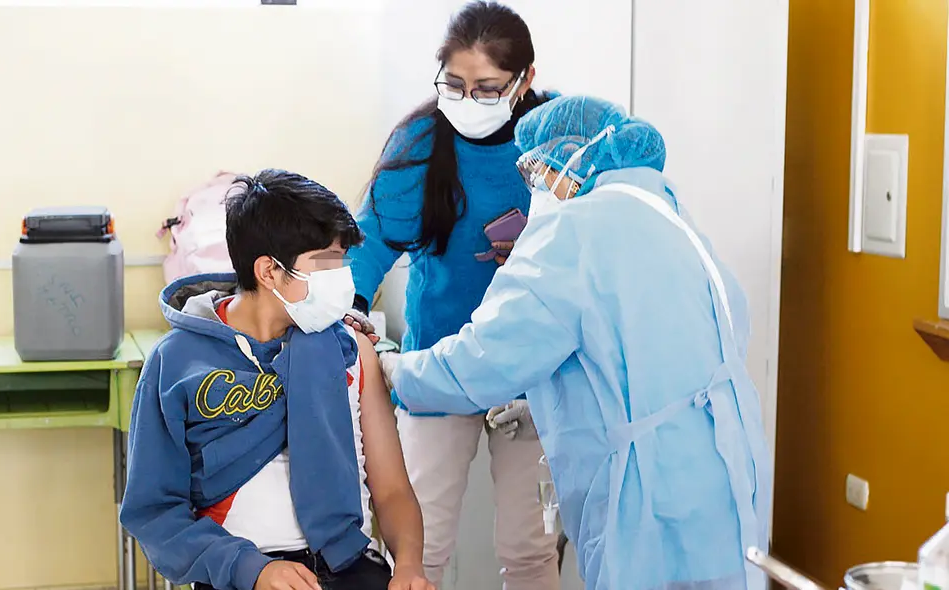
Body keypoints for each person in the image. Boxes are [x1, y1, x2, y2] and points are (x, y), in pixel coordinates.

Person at [385, 96, 773, 590]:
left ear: (573, 158)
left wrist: (399, 370)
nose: (538, 189)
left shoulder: (572, 230)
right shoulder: (668, 213)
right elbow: (681, 340)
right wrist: (552, 399)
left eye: (539, 173)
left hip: (651, 491)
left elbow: (483, 360)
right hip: (726, 465)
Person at [119, 169, 435, 590]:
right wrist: (253, 570)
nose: (342, 278)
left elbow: (392, 489)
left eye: (342, 262)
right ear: (269, 271)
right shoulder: (175, 364)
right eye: (326, 265)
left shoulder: (351, 350)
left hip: (349, 567)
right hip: (239, 574)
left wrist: (410, 566)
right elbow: (155, 513)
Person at [344, 2, 562, 588]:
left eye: (488, 89)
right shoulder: (420, 142)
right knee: (419, 545)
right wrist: (349, 310)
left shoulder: (562, 140)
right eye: (455, 84)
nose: (468, 100)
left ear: (525, 81)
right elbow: (369, 242)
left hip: (534, 374)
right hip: (438, 364)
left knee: (531, 549)